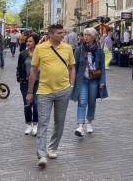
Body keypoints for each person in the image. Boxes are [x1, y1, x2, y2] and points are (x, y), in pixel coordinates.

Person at [26, 24, 76, 168]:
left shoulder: (67, 48)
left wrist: (71, 86)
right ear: (51, 34)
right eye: (60, 33)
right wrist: (30, 92)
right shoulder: (40, 49)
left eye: (63, 33)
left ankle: (52, 148)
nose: (63, 35)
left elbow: (72, 68)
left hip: (63, 91)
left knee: (59, 121)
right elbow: (34, 71)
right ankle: (41, 154)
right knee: (43, 122)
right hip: (44, 92)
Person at [71, 27, 108, 137]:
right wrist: (72, 82)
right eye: (84, 35)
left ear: (93, 36)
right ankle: (80, 126)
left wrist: (102, 81)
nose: (85, 37)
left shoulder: (99, 50)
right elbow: (74, 66)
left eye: (88, 35)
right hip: (82, 80)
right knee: (82, 102)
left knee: (92, 102)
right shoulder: (79, 49)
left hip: (94, 81)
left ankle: (89, 123)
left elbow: (102, 67)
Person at [17, 33, 41, 136]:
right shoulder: (22, 54)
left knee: (36, 104)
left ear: (35, 42)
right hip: (25, 83)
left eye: (30, 41)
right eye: (27, 41)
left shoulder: (40, 54)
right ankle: (28, 124)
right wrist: (20, 78)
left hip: (37, 82)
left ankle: (35, 125)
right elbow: (19, 67)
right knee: (27, 104)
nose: (28, 43)